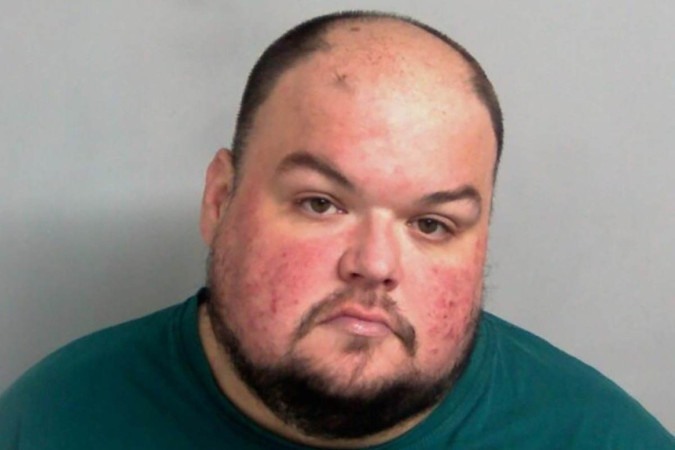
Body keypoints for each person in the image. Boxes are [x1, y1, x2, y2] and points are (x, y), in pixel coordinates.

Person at [0, 10, 672, 450]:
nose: (374, 264)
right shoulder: (50, 421)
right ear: (219, 200)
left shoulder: (605, 439)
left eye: (432, 223)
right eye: (321, 204)